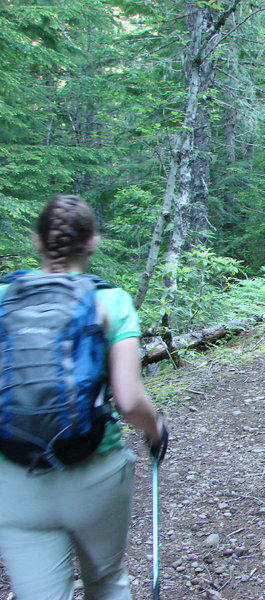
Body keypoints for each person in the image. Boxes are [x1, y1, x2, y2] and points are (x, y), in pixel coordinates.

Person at [0, 195, 167, 600]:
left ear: (36, 241)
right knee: (107, 581)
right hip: (94, 471)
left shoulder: (5, 297)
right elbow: (128, 401)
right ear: (92, 242)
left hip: (14, 478)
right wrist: (156, 429)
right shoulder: (111, 302)